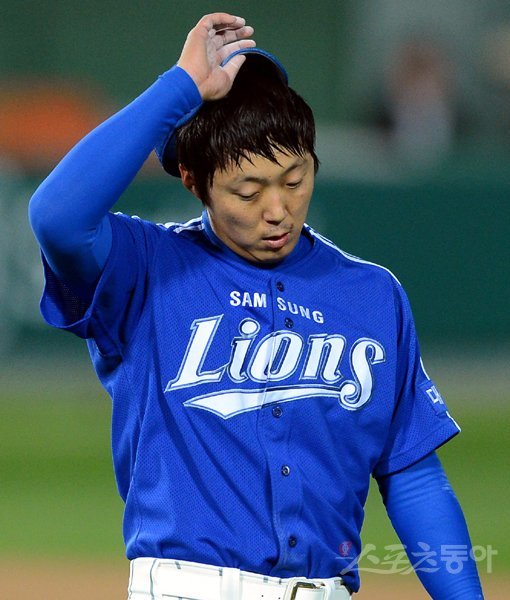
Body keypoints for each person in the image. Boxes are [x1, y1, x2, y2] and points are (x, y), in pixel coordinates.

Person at [29, 12, 484, 600]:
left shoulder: (371, 294)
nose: (277, 210)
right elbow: (57, 218)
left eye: (294, 180)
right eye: (247, 191)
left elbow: (412, 477)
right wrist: (180, 88)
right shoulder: (146, 269)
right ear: (193, 180)